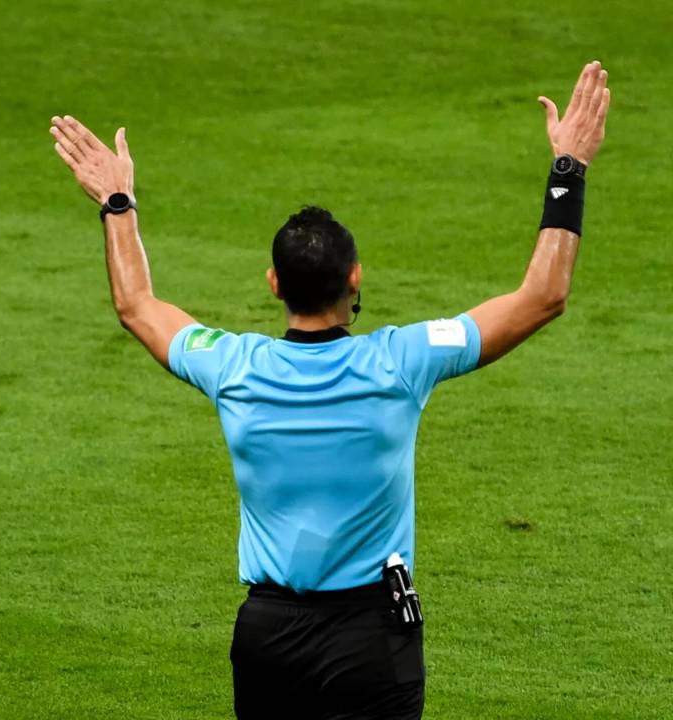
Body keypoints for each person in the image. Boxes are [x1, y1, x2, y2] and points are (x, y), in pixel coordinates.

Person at [50, 60, 610, 720]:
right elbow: (543, 296)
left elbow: (137, 305)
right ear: (355, 278)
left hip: (268, 636)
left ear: (273, 284)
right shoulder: (402, 361)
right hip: (370, 638)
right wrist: (567, 169)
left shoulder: (232, 367)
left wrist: (118, 202)